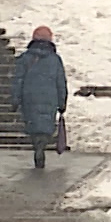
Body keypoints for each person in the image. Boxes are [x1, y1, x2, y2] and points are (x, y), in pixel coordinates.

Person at [11, 24, 67, 169]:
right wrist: (62, 102)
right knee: (45, 125)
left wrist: (15, 99)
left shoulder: (25, 59)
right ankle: (42, 145)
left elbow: (18, 79)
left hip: (29, 98)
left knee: (33, 124)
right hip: (49, 99)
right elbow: (61, 83)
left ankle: (37, 146)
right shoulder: (55, 60)